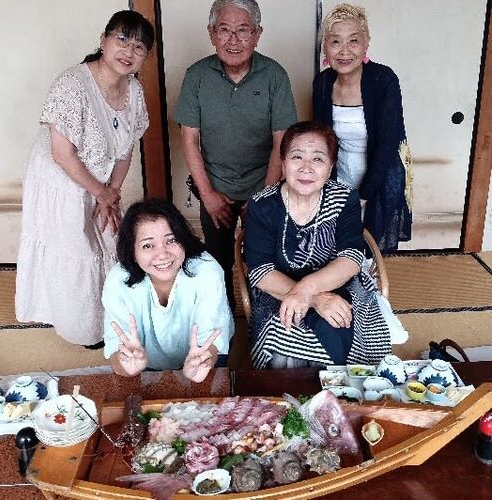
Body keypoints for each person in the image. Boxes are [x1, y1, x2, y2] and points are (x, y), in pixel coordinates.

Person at [15, 11, 154, 347]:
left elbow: (126, 149)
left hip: (102, 180)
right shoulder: (72, 84)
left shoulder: (134, 90)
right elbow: (62, 154)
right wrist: (101, 193)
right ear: (103, 40)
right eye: (122, 39)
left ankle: (108, 320)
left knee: (110, 241)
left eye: (138, 47)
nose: (128, 51)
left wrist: (112, 193)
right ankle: (80, 330)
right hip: (61, 180)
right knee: (76, 249)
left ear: (145, 57)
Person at [175, 0, 297, 311]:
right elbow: (189, 139)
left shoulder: (274, 75)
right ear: (211, 33)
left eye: (243, 30)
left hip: (264, 185)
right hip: (215, 188)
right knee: (216, 264)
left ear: (257, 34)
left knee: (264, 262)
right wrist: (208, 195)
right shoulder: (197, 76)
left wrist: (264, 199)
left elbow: (282, 142)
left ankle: (266, 325)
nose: (233, 40)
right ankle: (224, 330)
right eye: (224, 30)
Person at [245, 121, 392, 369]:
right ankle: (294, 390)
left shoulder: (344, 199)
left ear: (330, 166)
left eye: (318, 159)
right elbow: (261, 272)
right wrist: (315, 299)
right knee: (280, 332)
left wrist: (307, 289)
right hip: (278, 289)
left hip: (338, 283)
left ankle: (345, 388)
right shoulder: (262, 205)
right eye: (297, 157)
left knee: (344, 322)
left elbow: (351, 259)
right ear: (283, 163)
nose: (306, 168)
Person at [313, 3, 412, 253]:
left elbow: (388, 144)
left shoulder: (383, 79)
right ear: (325, 46)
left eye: (353, 41)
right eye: (335, 42)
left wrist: (364, 195)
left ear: (366, 43)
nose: (344, 51)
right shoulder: (323, 83)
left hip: (379, 175)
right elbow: (321, 140)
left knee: (368, 248)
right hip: (339, 174)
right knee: (335, 245)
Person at [102, 199, 234, 381]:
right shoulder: (118, 280)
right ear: (132, 252)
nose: (163, 254)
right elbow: (116, 349)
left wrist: (203, 363)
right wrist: (126, 366)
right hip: (142, 361)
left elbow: (210, 338)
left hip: (202, 357)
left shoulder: (207, 270)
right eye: (148, 245)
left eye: (171, 240)